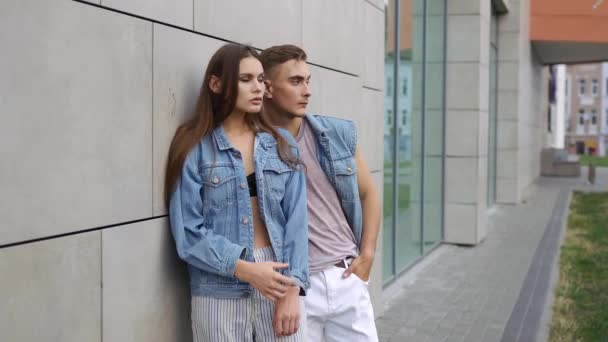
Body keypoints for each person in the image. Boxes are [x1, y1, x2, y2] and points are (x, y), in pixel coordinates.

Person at [164, 43, 309, 341]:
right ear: (216, 84)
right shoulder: (194, 147)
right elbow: (188, 234)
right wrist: (246, 270)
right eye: (246, 79)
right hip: (219, 286)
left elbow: (296, 225)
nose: (258, 88)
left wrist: (293, 287)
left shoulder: (281, 145)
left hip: (279, 279)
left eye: (260, 79)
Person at [260, 45, 381, 341]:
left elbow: (369, 195)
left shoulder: (335, 135)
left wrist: (367, 254)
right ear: (268, 88)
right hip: (296, 288)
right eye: (295, 81)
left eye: (308, 80)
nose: (307, 91)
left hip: (346, 277)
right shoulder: (256, 146)